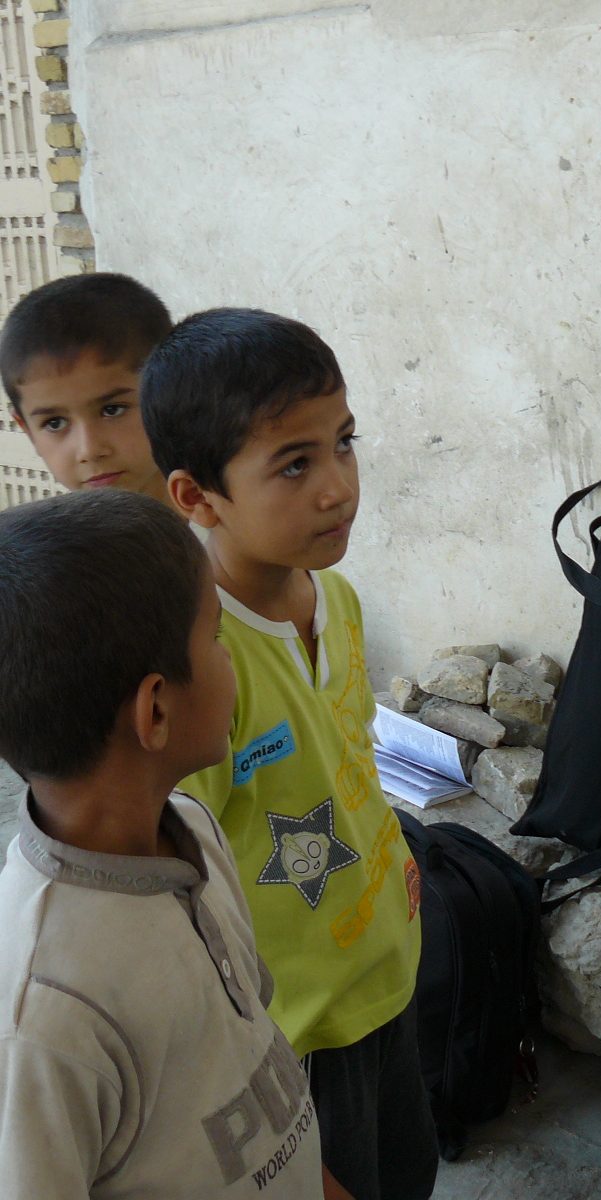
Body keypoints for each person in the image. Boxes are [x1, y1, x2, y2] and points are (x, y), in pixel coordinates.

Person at [140, 308, 437, 1200]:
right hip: (295, 1032)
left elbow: (346, 756)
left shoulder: (335, 601)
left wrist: (392, 858)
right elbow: (184, 876)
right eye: (295, 464)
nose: (338, 486)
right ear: (196, 498)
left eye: (344, 443)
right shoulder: (201, 662)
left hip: (388, 971)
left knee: (408, 1175)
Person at [0, 489, 324, 1198]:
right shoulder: (46, 1011)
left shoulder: (192, 830)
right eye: (214, 639)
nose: (229, 659)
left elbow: (258, 1069)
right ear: (155, 709)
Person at [0, 272, 173, 501]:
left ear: (172, 393)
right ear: (28, 431)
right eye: (55, 423)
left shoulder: (229, 526)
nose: (89, 450)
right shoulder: (41, 537)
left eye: (112, 410)